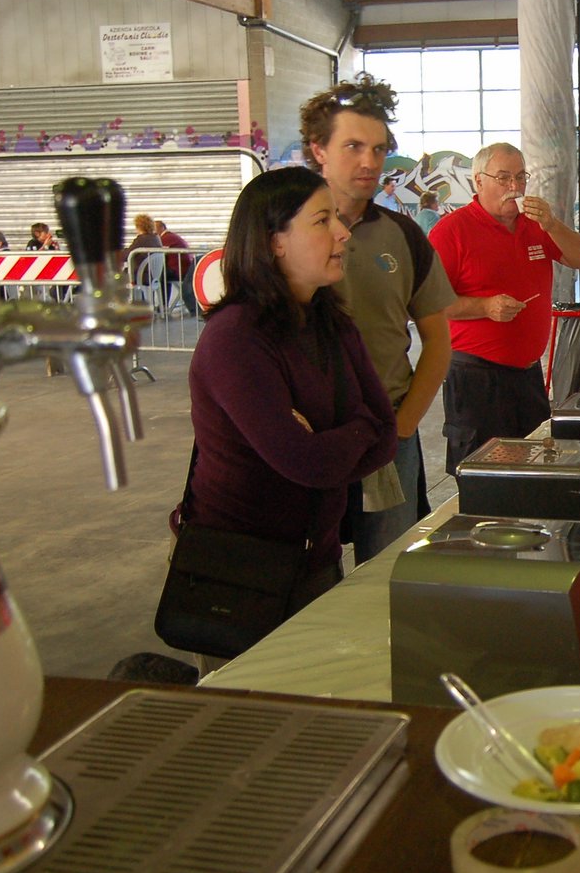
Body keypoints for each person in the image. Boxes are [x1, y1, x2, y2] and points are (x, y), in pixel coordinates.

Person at [187, 167, 397, 611]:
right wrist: (357, 428)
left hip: (317, 560)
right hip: (240, 573)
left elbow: (385, 436)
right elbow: (306, 462)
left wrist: (344, 433)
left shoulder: (332, 324)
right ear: (273, 241)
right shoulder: (236, 338)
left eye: (337, 218)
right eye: (323, 220)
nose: (342, 233)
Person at [299, 74, 454, 563]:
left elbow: (438, 341)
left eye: (379, 148)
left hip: (383, 434)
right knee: (303, 577)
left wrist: (404, 426)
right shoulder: (281, 228)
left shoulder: (403, 237)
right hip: (303, 439)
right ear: (318, 149)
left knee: (385, 575)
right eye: (353, 146)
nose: (369, 161)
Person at [429, 142, 580, 474]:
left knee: (534, 467)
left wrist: (552, 224)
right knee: (485, 475)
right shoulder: (451, 232)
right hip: (476, 377)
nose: (514, 187)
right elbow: (427, 303)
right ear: (479, 181)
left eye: (521, 177)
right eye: (503, 178)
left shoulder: (535, 223)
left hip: (527, 374)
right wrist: (484, 306)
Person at [156, 220, 197, 315]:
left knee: (161, 277)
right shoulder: (172, 236)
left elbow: (160, 253)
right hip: (185, 269)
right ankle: (164, 305)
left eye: (155, 229)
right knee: (164, 276)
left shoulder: (166, 238)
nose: (154, 232)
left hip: (180, 271)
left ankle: (163, 305)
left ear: (162, 228)